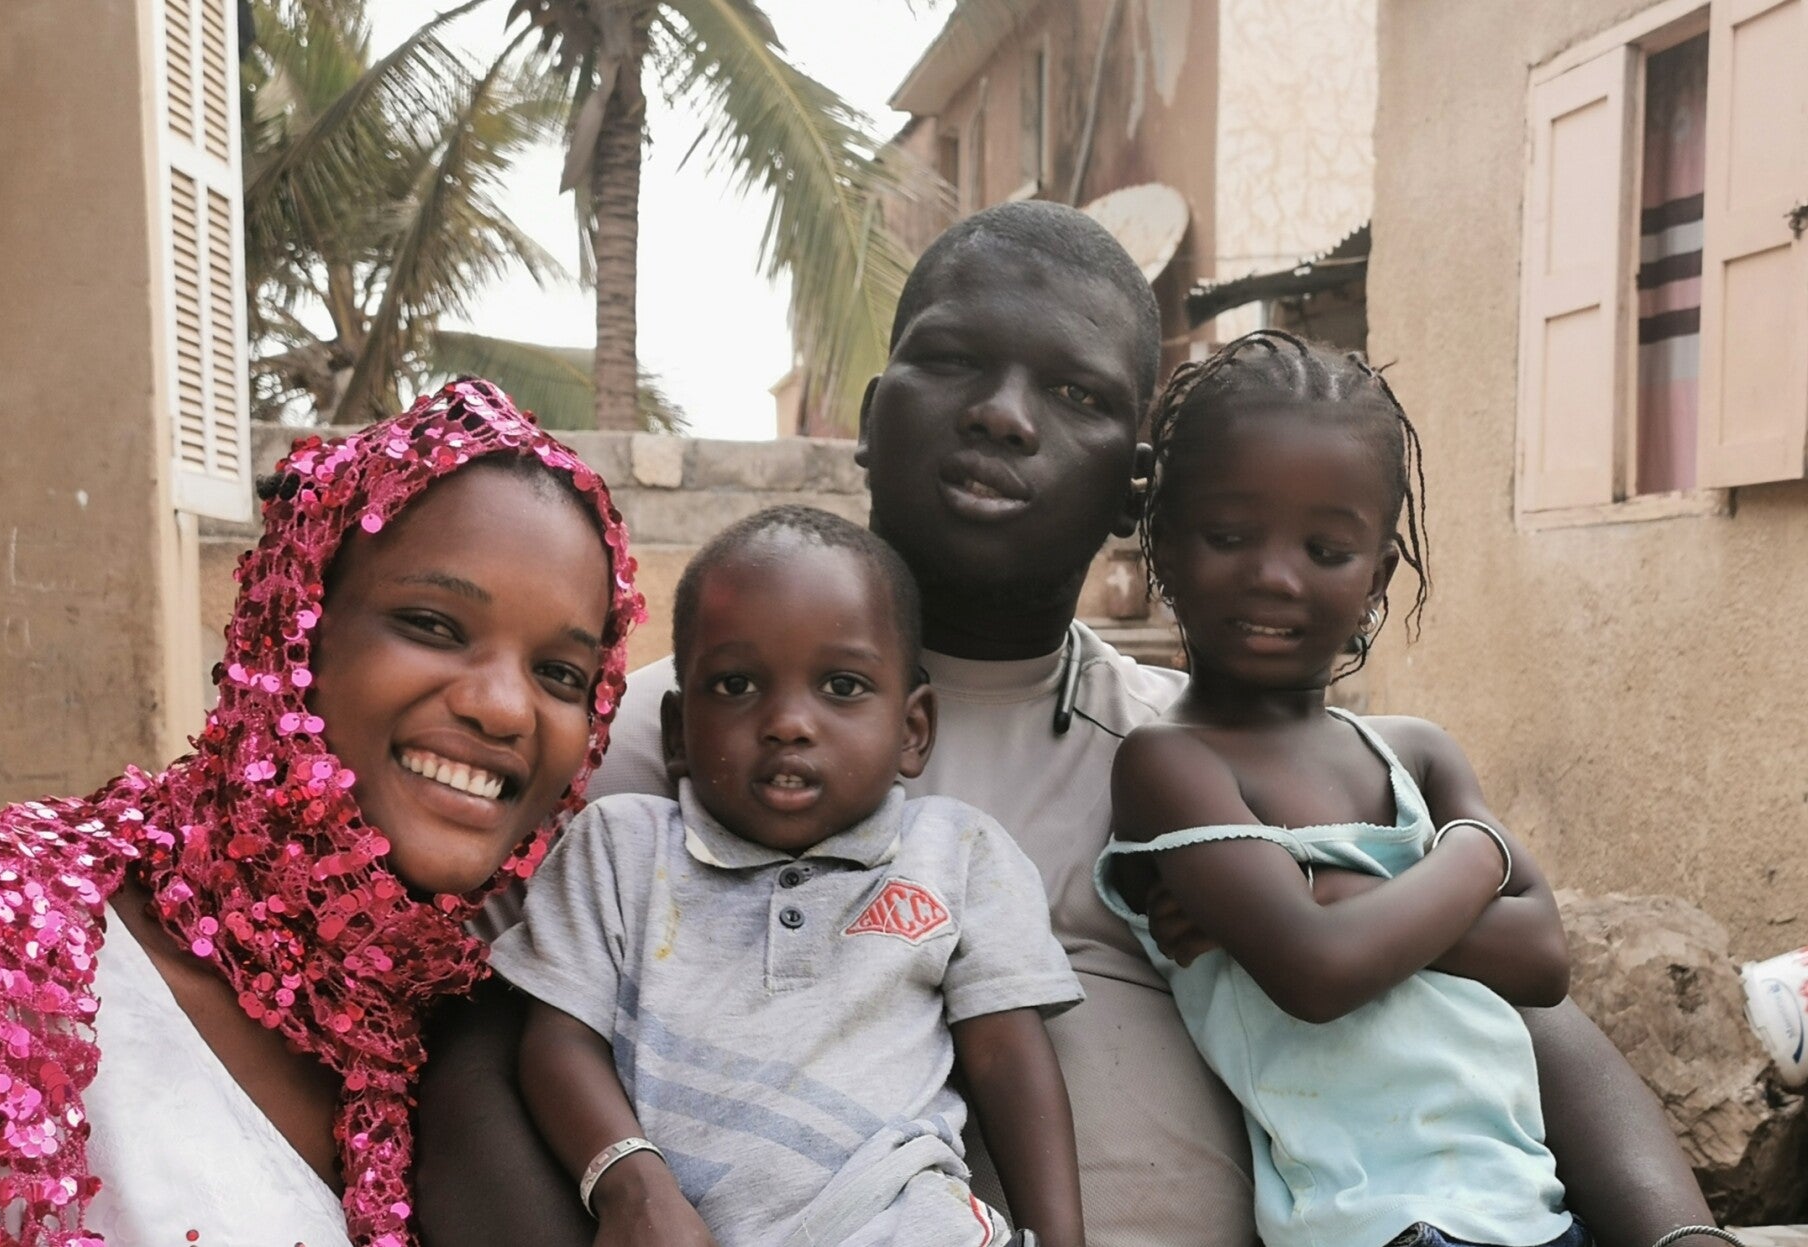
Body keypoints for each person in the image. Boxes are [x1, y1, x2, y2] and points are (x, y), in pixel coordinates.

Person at [415, 202, 1723, 1247]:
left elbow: (1490, 1003)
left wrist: (1675, 1234)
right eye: (951, 361)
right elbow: (488, 1051)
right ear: (870, 419)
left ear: (1133, 491)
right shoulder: (676, 729)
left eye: (1080, 395)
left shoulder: (1207, 750)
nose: (1003, 411)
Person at [0, 380, 643, 1246]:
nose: (505, 708)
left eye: (561, 674)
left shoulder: (506, 1029)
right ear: (292, 628)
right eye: (433, 623)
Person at [1097, 330, 1581, 1247]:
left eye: (1325, 548)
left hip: (1532, 1209)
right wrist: (1480, 853)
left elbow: (1545, 956)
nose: (1276, 575)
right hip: (1377, 1224)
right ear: (1161, 538)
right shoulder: (1172, 763)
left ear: (1377, 577)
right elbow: (1318, 971)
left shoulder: (1419, 755)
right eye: (1231, 535)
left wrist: (1344, 894)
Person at [495, 506, 1085, 1247]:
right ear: (678, 733)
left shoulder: (955, 851)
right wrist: (630, 1185)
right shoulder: (619, 846)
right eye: (737, 684)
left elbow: (1007, 1056)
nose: (787, 722)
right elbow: (558, 1040)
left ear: (912, 730)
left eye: (841, 685)